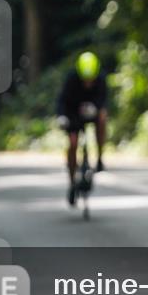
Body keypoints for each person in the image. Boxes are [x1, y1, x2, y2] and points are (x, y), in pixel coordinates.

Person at [56, 51, 108, 205]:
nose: (88, 82)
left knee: (103, 118)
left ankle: (99, 158)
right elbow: (61, 101)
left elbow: (104, 101)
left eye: (91, 79)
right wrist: (61, 117)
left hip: (92, 112)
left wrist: (96, 108)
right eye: (85, 80)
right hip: (73, 115)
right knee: (72, 143)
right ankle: (72, 182)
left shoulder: (101, 79)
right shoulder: (71, 79)